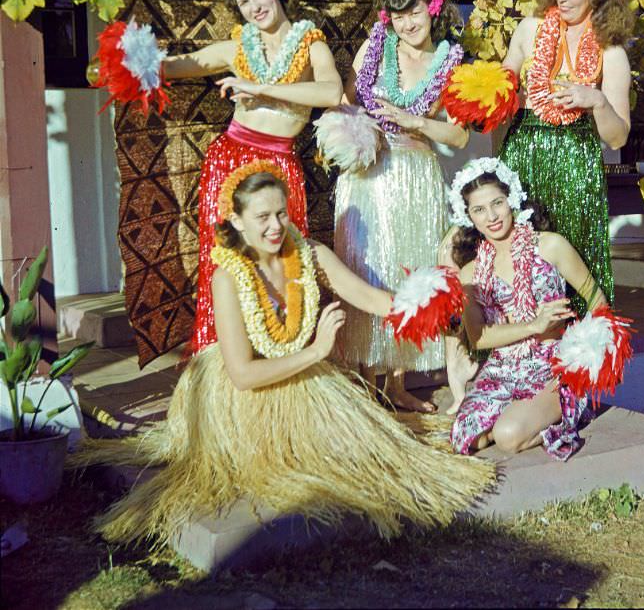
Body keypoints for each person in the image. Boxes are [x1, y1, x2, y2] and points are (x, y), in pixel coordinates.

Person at [70, 162, 494, 547]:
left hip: (304, 374)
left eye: (281, 213)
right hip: (247, 392)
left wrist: (427, 300)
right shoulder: (227, 277)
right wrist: (317, 352)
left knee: (358, 455)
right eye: (262, 217)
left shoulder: (310, 254)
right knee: (295, 471)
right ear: (236, 221)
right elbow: (243, 375)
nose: (275, 226)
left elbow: (371, 298)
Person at [161, 0, 343, 353]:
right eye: (243, 2)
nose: (254, 7)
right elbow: (180, 65)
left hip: (280, 164)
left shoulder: (311, 46)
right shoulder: (238, 48)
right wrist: (130, 64)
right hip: (230, 160)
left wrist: (262, 89)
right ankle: (221, 361)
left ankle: (287, 353)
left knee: (284, 258)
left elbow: (332, 93)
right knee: (227, 259)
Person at [335, 0, 476, 413]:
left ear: (432, 8)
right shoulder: (375, 46)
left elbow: (459, 137)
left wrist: (417, 122)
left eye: (414, 12)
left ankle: (398, 385)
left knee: (408, 268)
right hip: (369, 170)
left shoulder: (453, 61)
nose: (407, 24)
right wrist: (358, 136)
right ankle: (368, 380)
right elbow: (347, 101)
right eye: (397, 17)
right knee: (369, 266)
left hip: (415, 173)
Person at [499, 0, 634, 314]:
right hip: (523, 151)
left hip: (577, 164)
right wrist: (498, 88)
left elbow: (618, 137)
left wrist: (596, 101)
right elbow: (503, 79)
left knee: (573, 254)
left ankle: (576, 353)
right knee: (518, 250)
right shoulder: (529, 30)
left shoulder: (612, 52)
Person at [447, 158, 605, 458]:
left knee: (506, 436)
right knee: (464, 439)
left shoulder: (550, 246)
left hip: (555, 366)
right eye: (479, 210)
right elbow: (479, 337)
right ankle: (520, 415)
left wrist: (585, 359)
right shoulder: (469, 273)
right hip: (502, 368)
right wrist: (533, 326)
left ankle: (566, 411)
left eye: (498, 203)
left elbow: (596, 299)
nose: (492, 216)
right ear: (468, 216)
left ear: (513, 200)